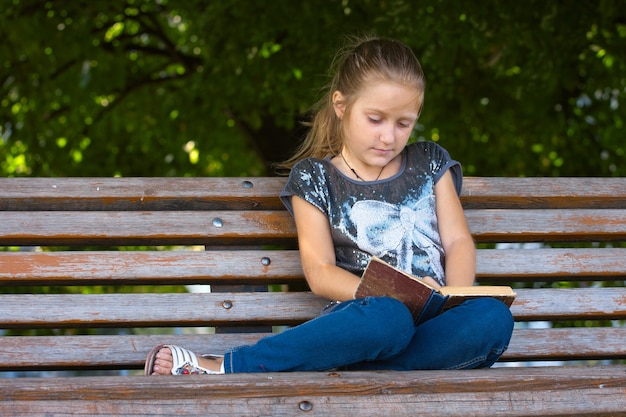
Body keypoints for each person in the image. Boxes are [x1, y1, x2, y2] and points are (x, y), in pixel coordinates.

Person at [145, 36, 514, 376]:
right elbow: (320, 271)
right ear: (341, 106)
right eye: (375, 119)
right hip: (368, 319)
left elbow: (458, 242)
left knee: (492, 317)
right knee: (390, 318)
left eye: (404, 124)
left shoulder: (430, 162)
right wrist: (392, 295)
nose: (389, 136)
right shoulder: (315, 178)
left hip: (435, 322)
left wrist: (453, 297)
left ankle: (358, 374)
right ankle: (232, 365)